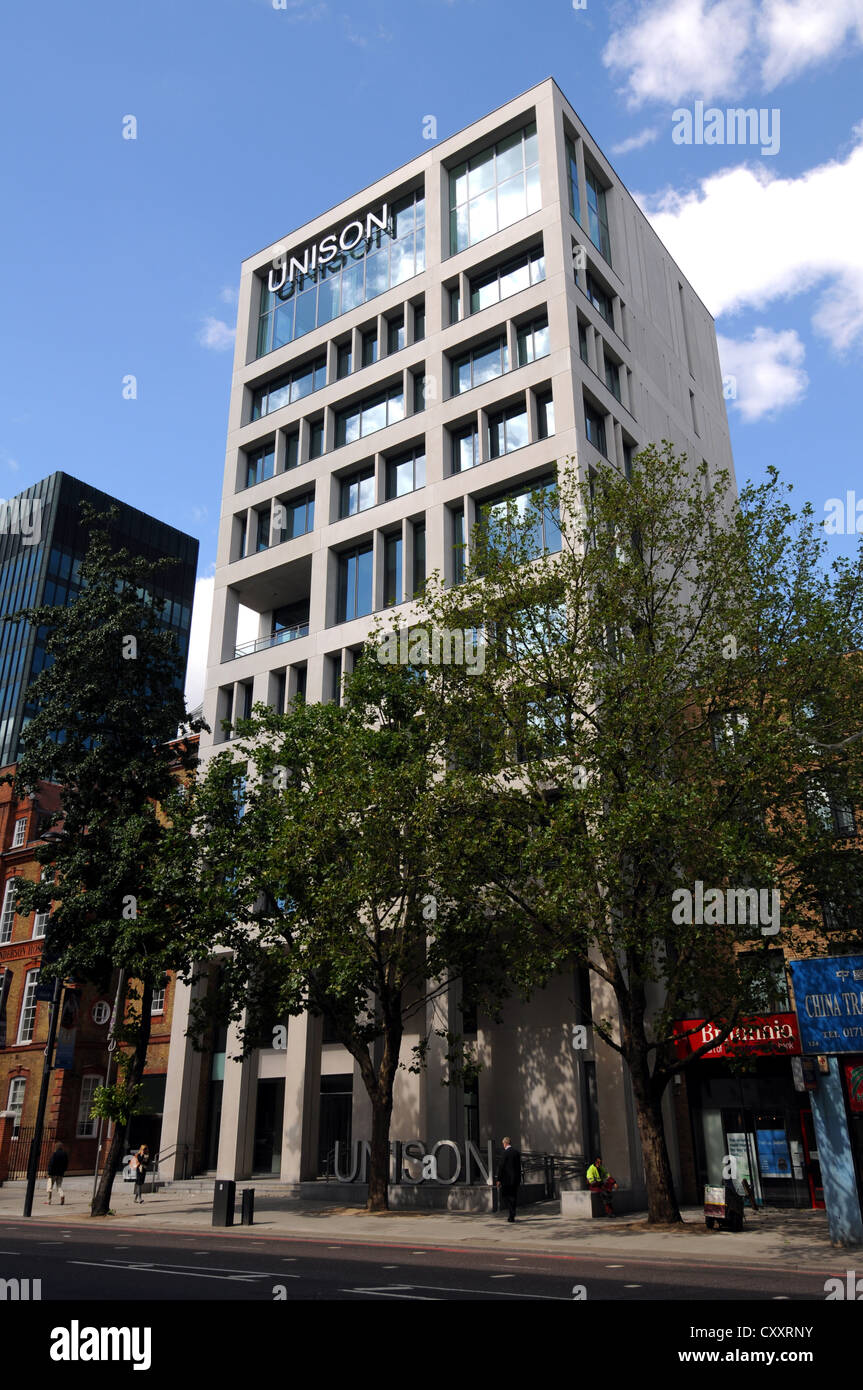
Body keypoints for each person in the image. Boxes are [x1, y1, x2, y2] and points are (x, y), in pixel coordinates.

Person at [496, 1136, 521, 1223]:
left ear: (505, 1143)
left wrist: (499, 1179)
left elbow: (501, 1167)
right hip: (515, 1179)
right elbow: (518, 1167)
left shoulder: (505, 1153)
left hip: (506, 1180)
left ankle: (511, 1214)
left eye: (503, 1144)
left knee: (506, 1196)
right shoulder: (517, 1153)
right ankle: (512, 1214)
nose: (503, 1145)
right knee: (513, 1197)